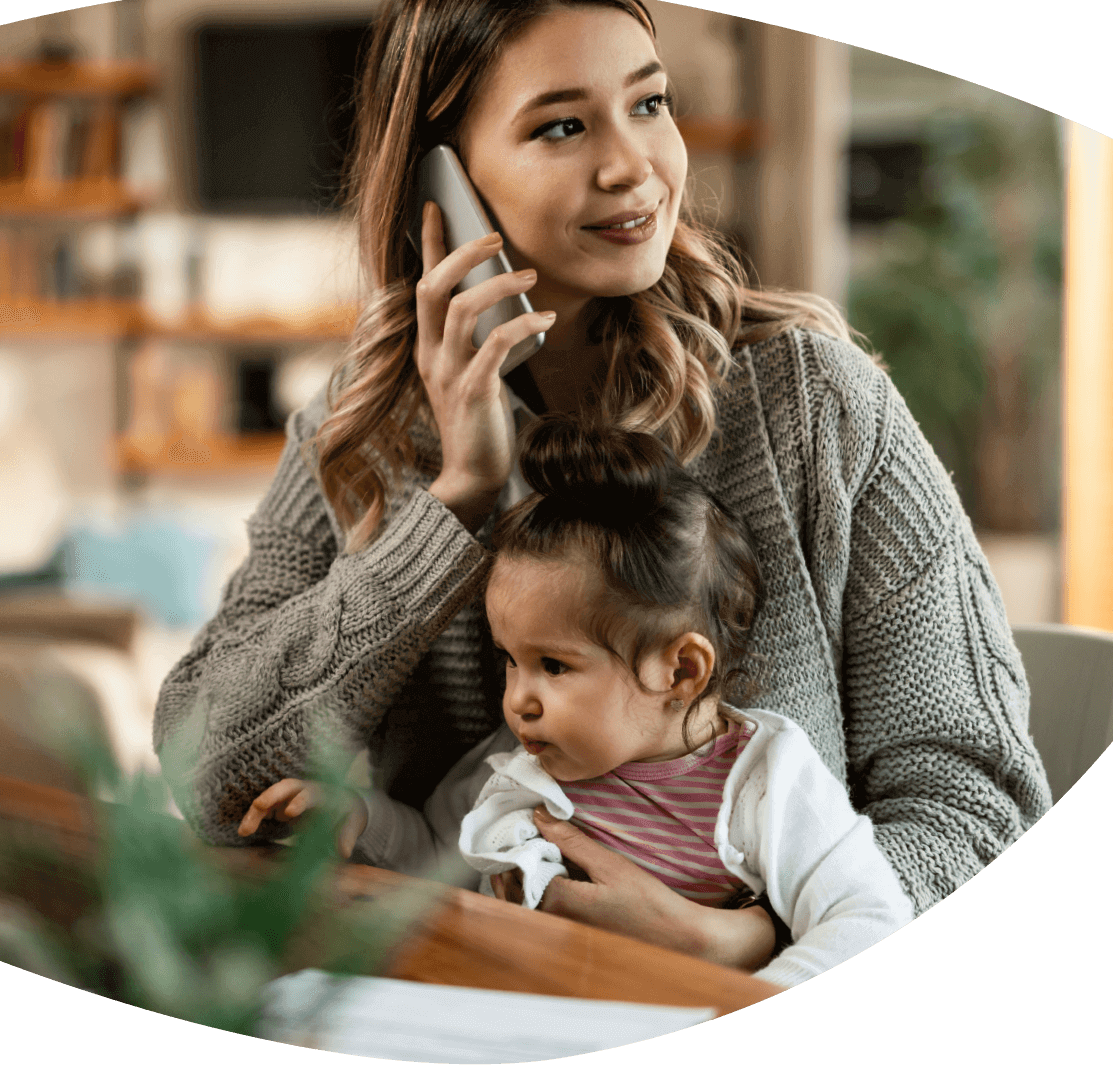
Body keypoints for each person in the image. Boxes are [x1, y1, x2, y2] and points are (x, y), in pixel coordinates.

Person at [157, 0, 1051, 955]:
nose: (635, 167)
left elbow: (979, 802)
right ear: (440, 185)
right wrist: (453, 506)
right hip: (459, 998)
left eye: (649, 103)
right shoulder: (358, 435)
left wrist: (744, 938)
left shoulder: (816, 404)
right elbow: (209, 777)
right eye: (560, 128)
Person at [243, 414, 915, 985]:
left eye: (554, 666)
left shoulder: (766, 781)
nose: (518, 700)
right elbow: (436, 858)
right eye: (510, 661)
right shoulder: (521, 762)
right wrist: (359, 817)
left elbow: (868, 918)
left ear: (680, 670)